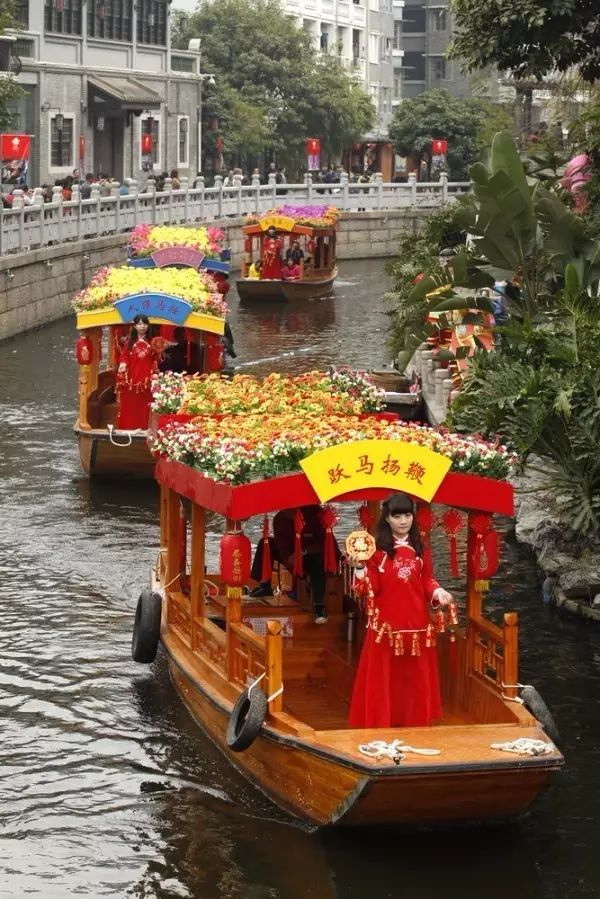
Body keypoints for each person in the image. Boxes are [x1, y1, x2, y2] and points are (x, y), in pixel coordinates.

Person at [348, 492, 453, 728]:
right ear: (387, 518)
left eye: (407, 515)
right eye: (397, 516)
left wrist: (438, 593)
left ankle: (415, 722)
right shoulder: (376, 552)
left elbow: (427, 580)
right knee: (384, 679)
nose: (403, 521)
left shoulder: (421, 549)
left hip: (417, 624)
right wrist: (359, 569)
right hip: (386, 626)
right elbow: (370, 587)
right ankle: (381, 723)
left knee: (414, 679)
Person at [250, 505, 339, 623]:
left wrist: (302, 552)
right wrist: (288, 559)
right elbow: (282, 546)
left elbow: (325, 544)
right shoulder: (280, 518)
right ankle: (265, 586)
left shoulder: (316, 513)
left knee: (318, 560)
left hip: (311, 553)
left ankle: (319, 606)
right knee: (265, 543)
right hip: (291, 554)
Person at [116, 314, 159, 430]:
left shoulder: (153, 341)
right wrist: (123, 364)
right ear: (135, 326)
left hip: (147, 379)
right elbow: (124, 356)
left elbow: (156, 359)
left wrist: (159, 355)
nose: (143, 326)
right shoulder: (130, 342)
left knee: (147, 404)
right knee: (131, 405)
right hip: (132, 379)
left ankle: (147, 427)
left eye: (145, 323)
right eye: (140, 324)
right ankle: (128, 427)